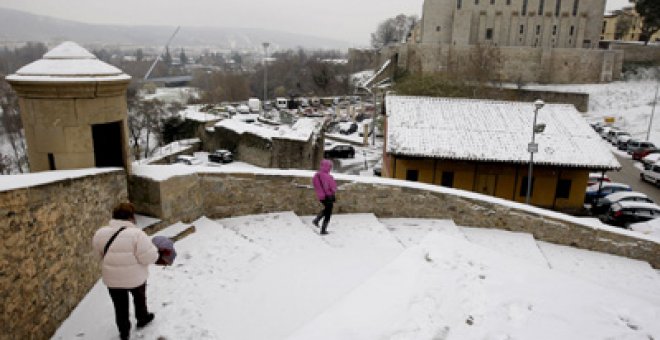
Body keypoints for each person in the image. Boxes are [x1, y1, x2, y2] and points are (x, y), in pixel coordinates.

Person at [92, 203, 159, 340]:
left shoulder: (100, 234)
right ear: (131, 217)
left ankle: (124, 331)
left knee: (119, 306)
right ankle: (142, 318)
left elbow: (98, 256)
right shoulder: (137, 234)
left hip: (112, 279)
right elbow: (149, 257)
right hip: (135, 277)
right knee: (139, 299)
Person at [312, 159, 337, 235]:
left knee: (326, 210)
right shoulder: (329, 177)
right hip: (328, 196)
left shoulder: (316, 175)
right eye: (330, 166)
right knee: (328, 213)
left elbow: (315, 185)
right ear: (328, 167)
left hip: (321, 197)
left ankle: (316, 220)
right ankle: (323, 230)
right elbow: (333, 188)